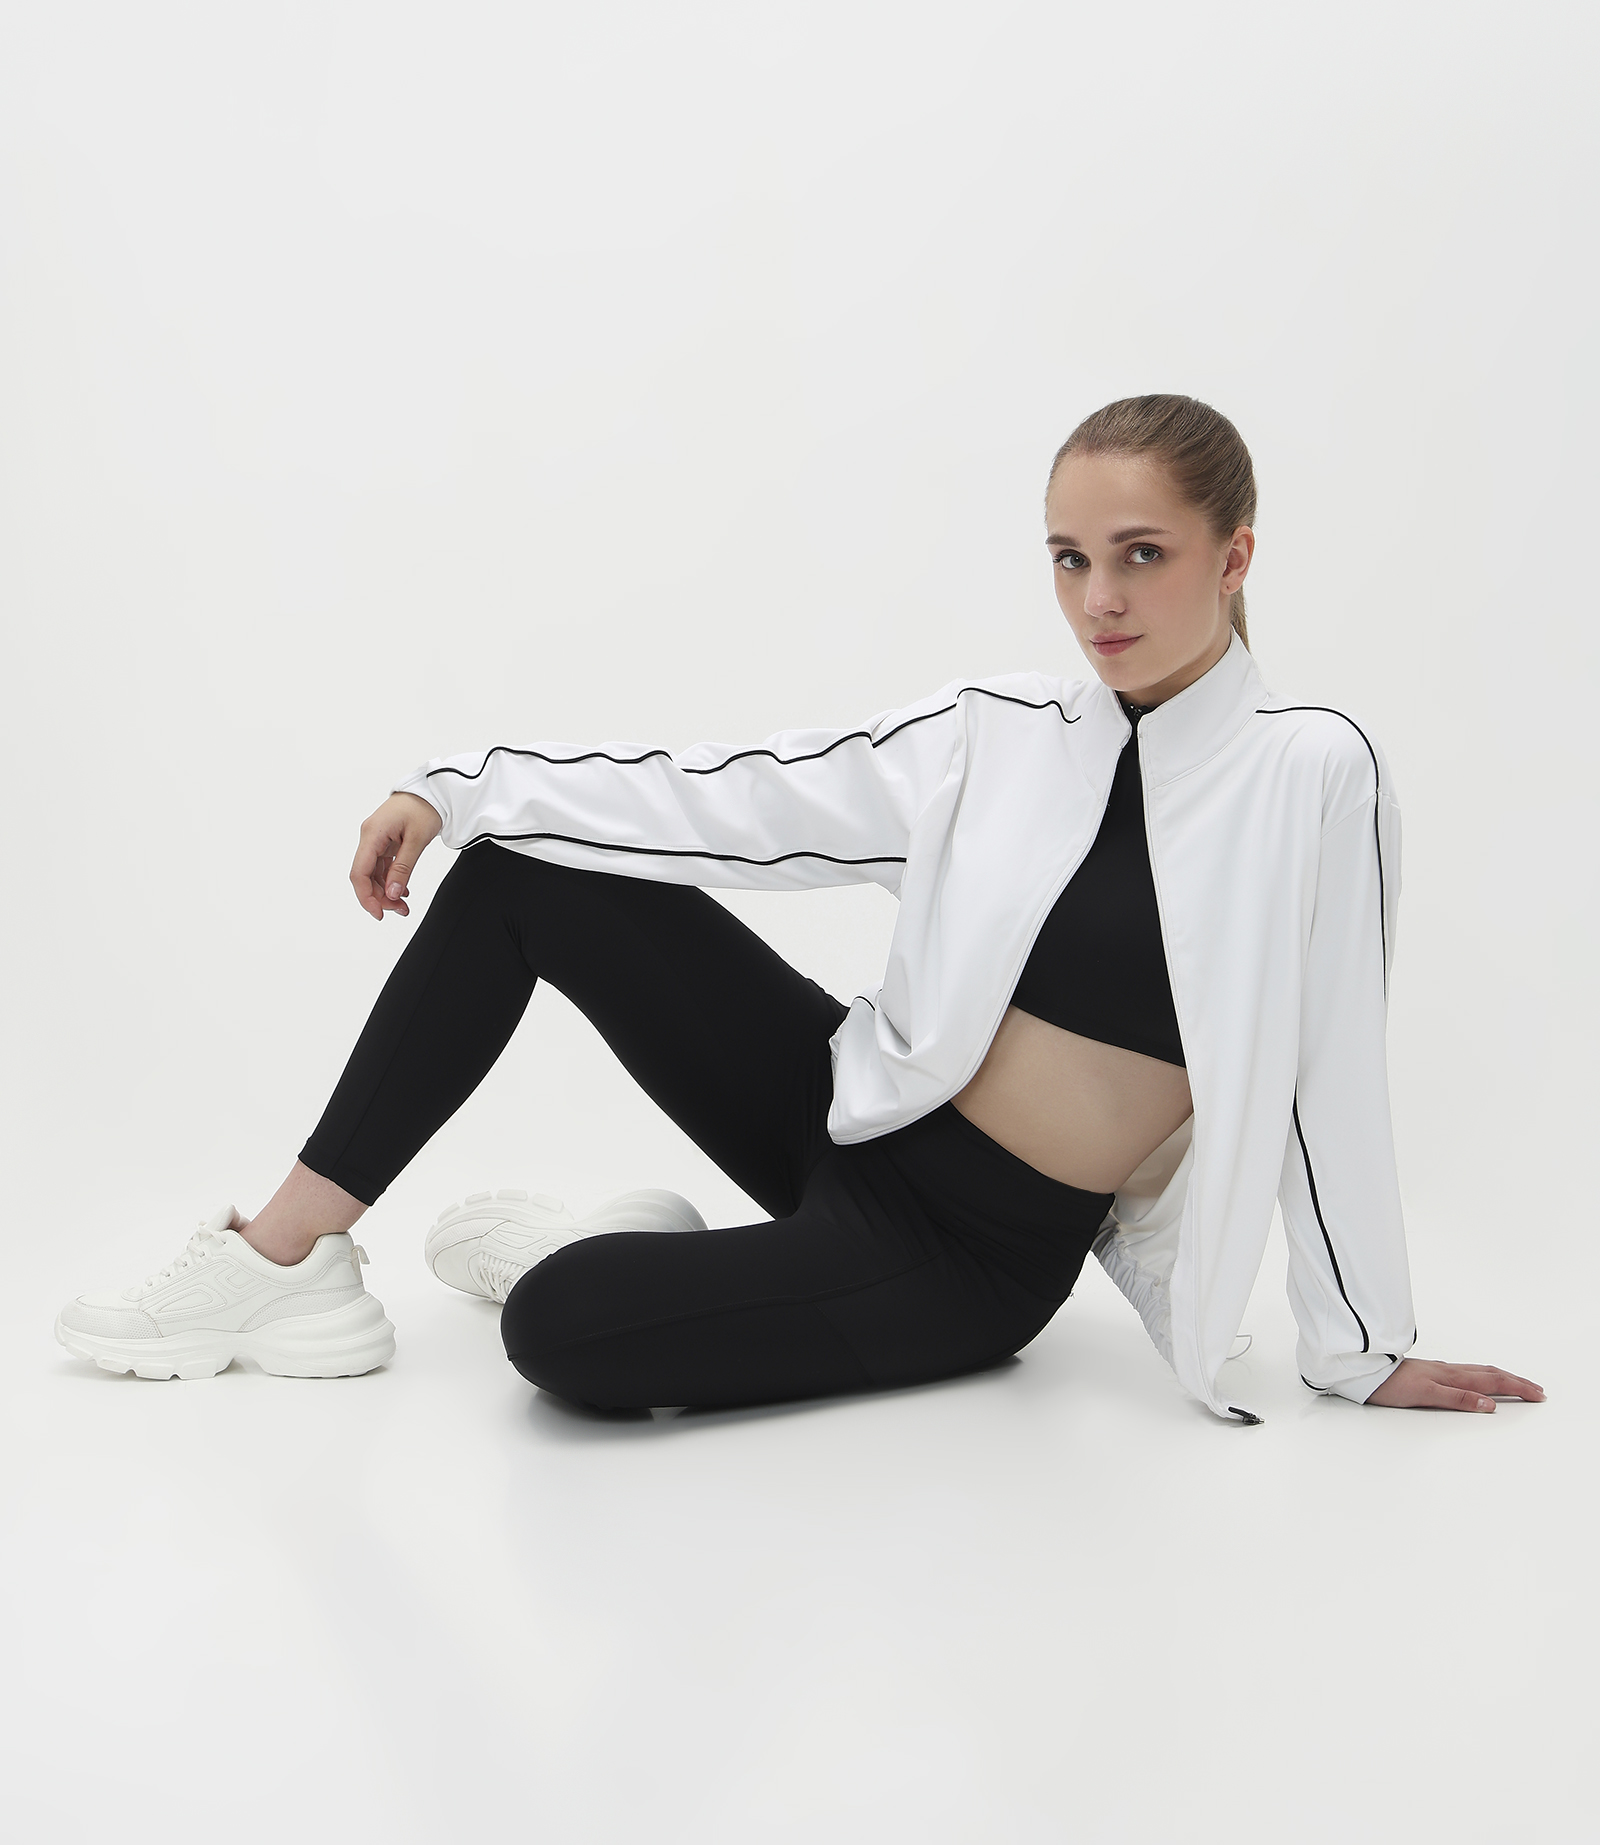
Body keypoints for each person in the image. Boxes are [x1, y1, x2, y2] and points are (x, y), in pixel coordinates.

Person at [57, 395, 1543, 1422]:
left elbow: (1330, 1062)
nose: (1099, 599)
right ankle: (281, 1262)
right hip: (850, 1109)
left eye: (1141, 554)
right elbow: (738, 798)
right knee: (527, 870)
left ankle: (611, 1252)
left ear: (1236, 555)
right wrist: (458, 788)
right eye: (1070, 557)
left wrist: (1362, 1347)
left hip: (968, 1253)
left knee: (563, 1333)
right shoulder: (1001, 734)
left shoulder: (1307, 773)